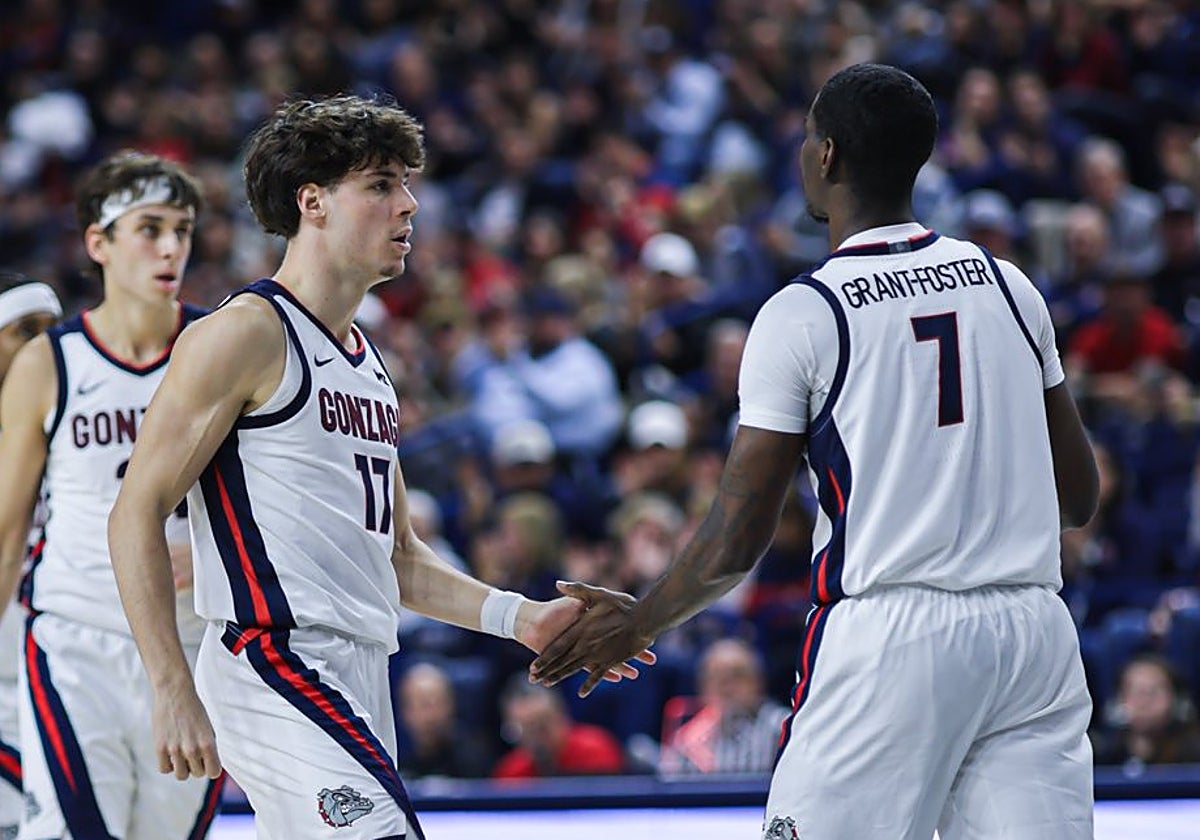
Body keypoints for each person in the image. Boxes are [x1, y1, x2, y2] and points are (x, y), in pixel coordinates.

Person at [533, 63, 1099, 840]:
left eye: (806, 138)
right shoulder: (1009, 286)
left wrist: (638, 624)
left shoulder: (808, 310)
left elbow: (737, 538)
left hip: (894, 636)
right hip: (1034, 635)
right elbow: (1079, 497)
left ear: (826, 156)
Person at [106, 94, 649, 840]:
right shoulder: (245, 332)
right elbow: (135, 509)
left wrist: (522, 618)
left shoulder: (368, 366)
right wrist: (169, 686)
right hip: (274, 659)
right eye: (383, 184)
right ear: (314, 202)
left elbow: (398, 560)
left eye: (406, 183)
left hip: (362, 672)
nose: (410, 204)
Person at [0, 153, 222, 839]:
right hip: (75, 639)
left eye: (182, 230)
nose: (170, 247)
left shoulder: (223, 345)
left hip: (194, 644)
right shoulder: (51, 361)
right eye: (149, 228)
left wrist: (215, 563)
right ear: (97, 242)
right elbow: (8, 531)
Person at [0, 273, 62, 839]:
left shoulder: (78, 436)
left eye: (52, 330)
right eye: (25, 331)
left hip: (60, 675)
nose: (44, 346)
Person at [658, 637, 789, 775]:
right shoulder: (687, 740)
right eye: (716, 677)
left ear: (758, 682)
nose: (726, 686)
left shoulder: (783, 726)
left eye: (737, 675)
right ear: (703, 687)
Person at [492, 678, 624, 780]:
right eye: (527, 729)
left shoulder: (594, 750)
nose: (537, 737)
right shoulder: (511, 772)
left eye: (542, 726)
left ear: (561, 717)